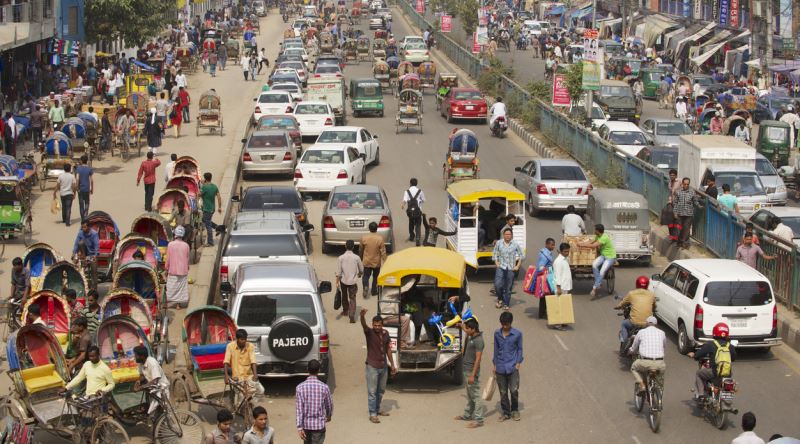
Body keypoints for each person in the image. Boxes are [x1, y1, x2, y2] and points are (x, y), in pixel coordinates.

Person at [360, 308, 397, 423]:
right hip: (372, 366)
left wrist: (393, 364)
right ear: (372, 324)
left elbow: (388, 350)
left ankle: (377, 409)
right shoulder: (369, 332)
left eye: (379, 325)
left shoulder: (385, 333)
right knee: (372, 391)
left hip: (383, 366)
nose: (377, 327)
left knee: (381, 390)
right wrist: (362, 316)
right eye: (375, 325)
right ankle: (372, 413)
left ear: (382, 325)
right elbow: (364, 325)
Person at [689, 322, 735, 401]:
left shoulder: (711, 344)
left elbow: (698, 354)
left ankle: (701, 395)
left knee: (699, 373)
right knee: (729, 381)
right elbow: (733, 358)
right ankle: (725, 398)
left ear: (714, 333)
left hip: (714, 372)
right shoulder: (730, 346)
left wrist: (694, 355)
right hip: (728, 374)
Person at [493, 312, 523, 421]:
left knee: (514, 390)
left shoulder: (518, 334)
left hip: (513, 367)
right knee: (503, 392)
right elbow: (496, 349)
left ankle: (515, 410)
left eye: (506, 324)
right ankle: (506, 412)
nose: (504, 326)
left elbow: (519, 349)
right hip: (500, 367)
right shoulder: (497, 334)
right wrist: (495, 364)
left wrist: (518, 362)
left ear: (511, 323)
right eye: (503, 324)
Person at [455, 318, 484, 428]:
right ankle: (467, 415)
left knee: (475, 396)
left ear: (473, 329)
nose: (465, 330)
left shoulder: (479, 341)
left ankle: (479, 420)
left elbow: (478, 359)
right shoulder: (472, 335)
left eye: (467, 329)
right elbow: (465, 328)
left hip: (471, 371)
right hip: (466, 369)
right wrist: (461, 325)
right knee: (470, 395)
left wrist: (473, 374)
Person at [295, 359, 333, 443]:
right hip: (319, 426)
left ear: (307, 369)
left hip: (306, 426)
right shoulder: (324, 387)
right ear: (319, 370)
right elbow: (329, 405)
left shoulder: (300, 388)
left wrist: (299, 427)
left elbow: (299, 410)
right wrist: (329, 415)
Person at [628, 316, 666, 395]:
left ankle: (642, 385)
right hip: (660, 363)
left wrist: (630, 351)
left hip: (645, 362)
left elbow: (634, 347)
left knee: (634, 368)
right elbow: (664, 346)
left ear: (646, 323)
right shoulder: (662, 333)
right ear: (656, 324)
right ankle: (660, 395)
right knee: (660, 380)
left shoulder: (641, 332)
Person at [614, 276, 656, 347]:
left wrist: (618, 307)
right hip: (647, 324)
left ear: (637, 284)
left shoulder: (632, 294)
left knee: (624, 324)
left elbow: (623, 303)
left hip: (634, 323)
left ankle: (625, 342)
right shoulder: (652, 295)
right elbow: (654, 306)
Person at [224, 329, 265, 397]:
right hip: (237, 378)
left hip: (249, 377)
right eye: (242, 339)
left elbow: (253, 361)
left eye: (245, 339)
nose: (244, 341)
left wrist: (255, 375)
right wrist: (226, 376)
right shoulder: (230, 346)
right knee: (242, 396)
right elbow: (226, 362)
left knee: (261, 390)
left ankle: (251, 405)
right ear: (237, 339)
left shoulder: (250, 346)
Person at [579, 224, 617, 298]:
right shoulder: (598, 236)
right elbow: (591, 242)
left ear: (598, 231)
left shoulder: (604, 238)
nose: (594, 231)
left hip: (610, 257)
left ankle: (594, 288)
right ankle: (598, 282)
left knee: (602, 271)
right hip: (603, 255)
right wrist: (581, 244)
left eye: (595, 230)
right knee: (594, 264)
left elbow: (593, 245)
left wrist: (582, 245)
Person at [493, 228, 524, 311]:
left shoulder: (515, 244)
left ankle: (506, 303)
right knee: (497, 285)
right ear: (503, 235)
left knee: (508, 287)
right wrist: (496, 263)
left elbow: (521, 255)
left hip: (511, 268)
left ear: (512, 235)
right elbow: (495, 253)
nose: (507, 236)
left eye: (509, 234)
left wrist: (517, 266)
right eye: (506, 234)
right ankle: (500, 299)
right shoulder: (499, 243)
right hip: (501, 267)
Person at [133, 345, 169, 413]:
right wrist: (138, 382)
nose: (134, 357)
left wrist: (140, 388)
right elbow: (142, 375)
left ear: (142, 356)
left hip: (161, 389)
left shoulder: (152, 363)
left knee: (154, 412)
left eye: (136, 355)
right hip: (153, 389)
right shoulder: (141, 363)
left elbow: (155, 381)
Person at [336, 240, 363, 322]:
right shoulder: (357, 258)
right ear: (353, 247)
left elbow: (339, 272)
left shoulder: (340, 258)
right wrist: (359, 274)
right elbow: (361, 269)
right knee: (352, 298)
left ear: (345, 246)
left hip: (343, 281)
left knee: (344, 296)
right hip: (353, 282)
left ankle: (345, 311)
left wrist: (337, 282)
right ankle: (351, 315)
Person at [672, 177, 701, 249]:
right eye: (685, 184)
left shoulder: (692, 192)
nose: (686, 186)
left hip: (688, 214)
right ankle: (679, 242)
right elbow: (675, 203)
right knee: (679, 229)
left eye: (687, 184)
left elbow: (695, 201)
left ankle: (685, 243)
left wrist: (699, 206)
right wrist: (675, 213)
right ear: (682, 184)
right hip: (680, 213)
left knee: (686, 229)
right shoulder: (678, 192)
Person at [166, 225, 190, 308]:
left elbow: (168, 258)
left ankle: (168, 302)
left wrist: (166, 267)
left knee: (171, 287)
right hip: (183, 270)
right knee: (181, 289)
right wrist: (187, 267)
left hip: (172, 270)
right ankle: (178, 305)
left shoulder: (170, 245)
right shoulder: (186, 245)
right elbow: (187, 258)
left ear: (175, 234)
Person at [359, 222, 386, 298]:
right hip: (376, 262)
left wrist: (360, 258)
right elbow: (383, 251)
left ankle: (365, 287)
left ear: (369, 228)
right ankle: (374, 291)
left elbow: (361, 249)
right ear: (376, 229)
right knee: (375, 277)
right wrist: (385, 261)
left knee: (366, 276)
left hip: (367, 261)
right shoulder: (380, 239)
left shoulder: (364, 238)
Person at [534, 238, 556, 318]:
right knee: (548, 295)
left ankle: (542, 313)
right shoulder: (545, 255)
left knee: (544, 296)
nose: (553, 246)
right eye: (552, 244)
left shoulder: (547, 253)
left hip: (546, 277)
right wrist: (549, 271)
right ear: (546, 244)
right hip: (546, 278)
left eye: (554, 244)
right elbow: (540, 267)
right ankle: (545, 313)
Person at [201, 172, 223, 246]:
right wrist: (219, 207)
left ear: (205, 179)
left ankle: (210, 242)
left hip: (207, 209)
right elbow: (219, 197)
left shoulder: (204, 187)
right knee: (205, 220)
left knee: (208, 225)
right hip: (212, 208)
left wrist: (202, 185)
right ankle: (218, 228)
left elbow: (198, 194)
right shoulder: (214, 187)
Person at [400, 178, 425, 245]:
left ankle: (411, 236)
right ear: (416, 184)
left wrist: (402, 205)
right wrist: (419, 202)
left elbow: (404, 200)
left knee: (411, 223)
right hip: (418, 211)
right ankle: (417, 238)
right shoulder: (420, 191)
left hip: (410, 211)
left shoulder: (407, 191)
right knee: (418, 224)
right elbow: (423, 200)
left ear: (410, 183)